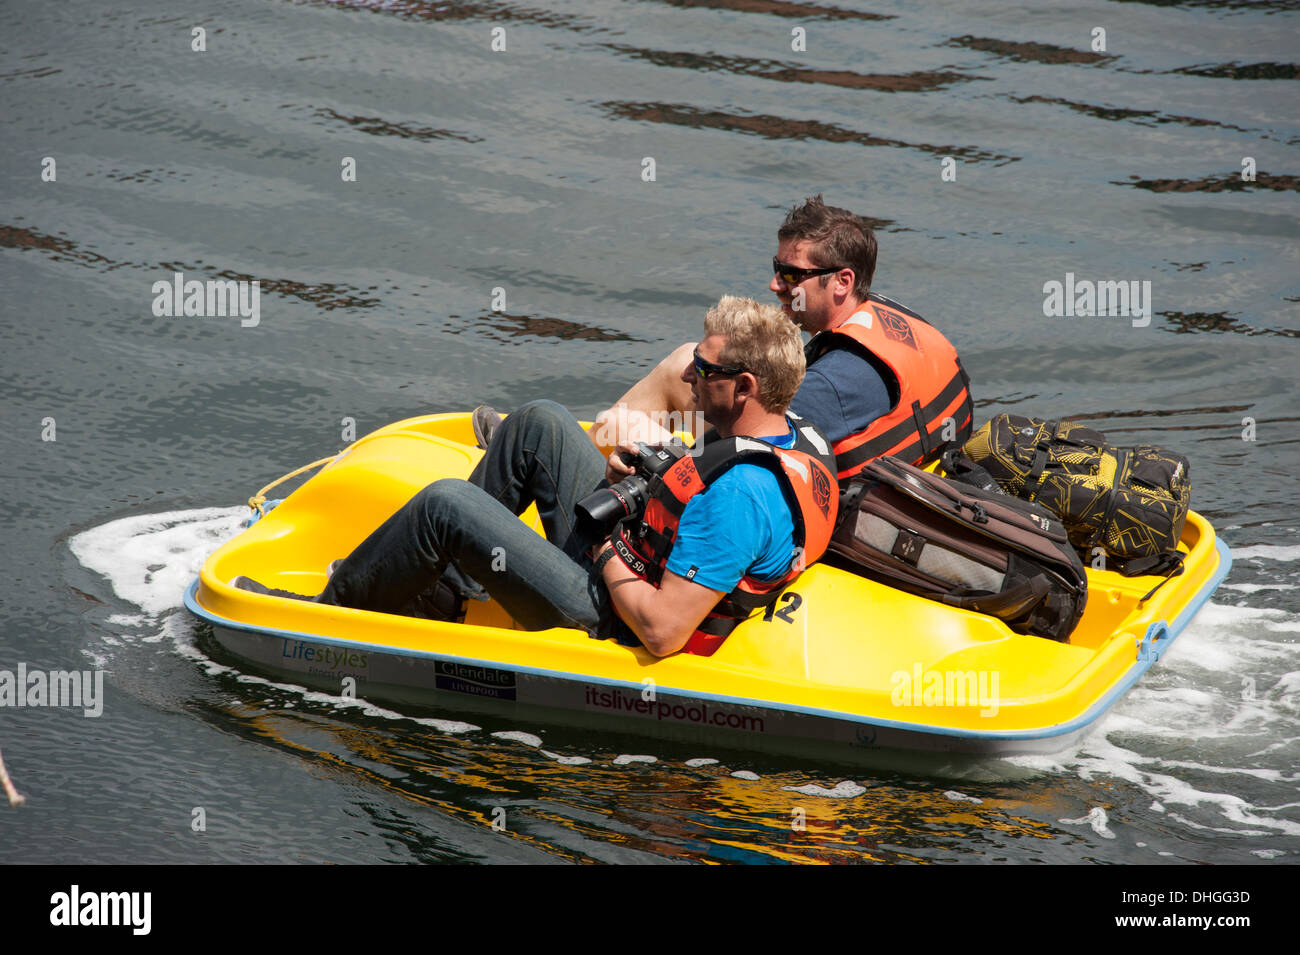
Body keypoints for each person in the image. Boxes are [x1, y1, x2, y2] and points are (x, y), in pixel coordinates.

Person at [237, 297, 838, 658]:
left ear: (747, 387)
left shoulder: (741, 496)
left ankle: (325, 619)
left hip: (615, 613)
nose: (690, 377)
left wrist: (606, 548)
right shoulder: (786, 433)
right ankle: (439, 593)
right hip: (645, 559)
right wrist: (637, 477)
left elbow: (661, 631)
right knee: (538, 424)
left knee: (444, 503)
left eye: (705, 370)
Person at [590, 196, 973, 484]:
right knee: (682, 363)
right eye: (777, 268)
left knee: (616, 424)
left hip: (828, 501)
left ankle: (576, 515)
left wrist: (653, 458)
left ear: (843, 281)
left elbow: (731, 458)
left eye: (792, 275)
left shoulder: (830, 386)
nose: (775, 284)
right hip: (917, 457)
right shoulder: (884, 316)